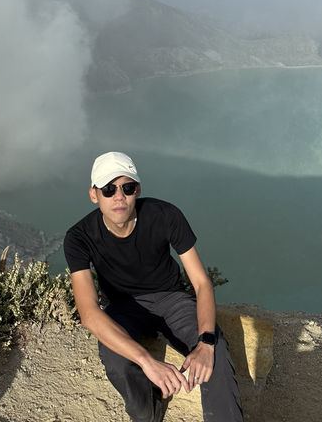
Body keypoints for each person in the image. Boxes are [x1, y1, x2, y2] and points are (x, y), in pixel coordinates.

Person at [64, 151, 243, 422]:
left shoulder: (165, 215)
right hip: (122, 309)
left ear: (138, 189)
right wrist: (148, 362)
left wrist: (205, 343)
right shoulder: (79, 237)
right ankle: (149, 412)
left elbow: (201, 283)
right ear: (94, 195)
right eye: (109, 189)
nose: (119, 197)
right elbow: (89, 313)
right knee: (116, 360)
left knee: (214, 354)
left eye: (127, 187)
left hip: (172, 300)